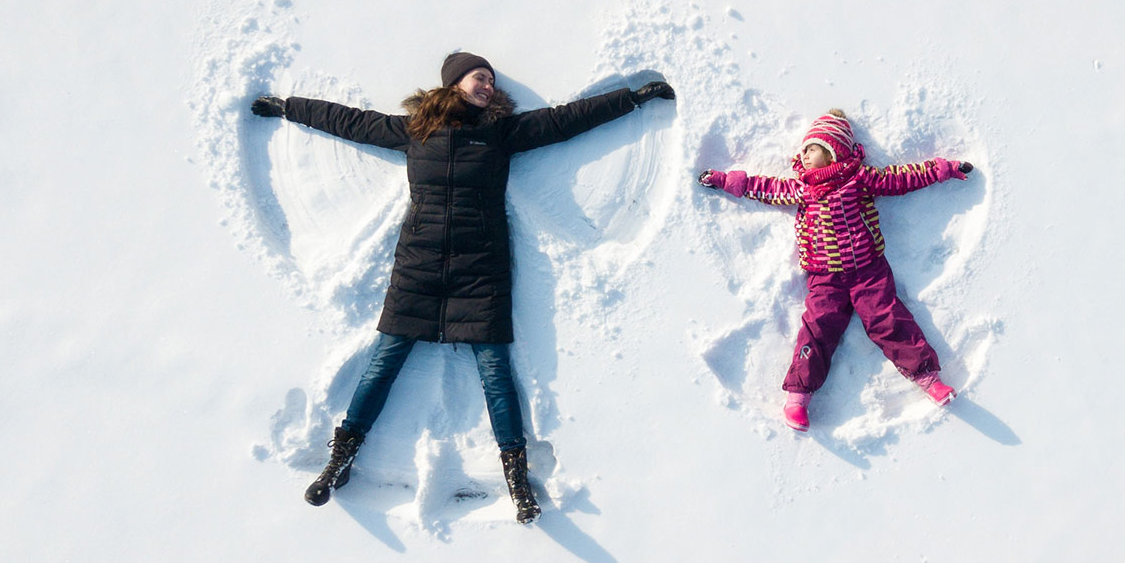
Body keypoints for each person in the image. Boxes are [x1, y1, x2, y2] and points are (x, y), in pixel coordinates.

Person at [252, 52, 675, 519]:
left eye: (492, 80)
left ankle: (516, 477)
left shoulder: (499, 133)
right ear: (455, 83)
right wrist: (289, 108)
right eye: (480, 77)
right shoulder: (416, 130)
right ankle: (342, 458)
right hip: (419, 267)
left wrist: (632, 100)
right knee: (383, 362)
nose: (488, 86)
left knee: (496, 374)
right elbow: (348, 121)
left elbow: (563, 121)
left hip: (482, 269)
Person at [698, 108, 972, 432]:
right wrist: (724, 180)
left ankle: (928, 379)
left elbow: (902, 178)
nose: (805, 154)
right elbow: (765, 187)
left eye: (813, 149)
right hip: (824, 275)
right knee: (818, 327)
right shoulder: (802, 188)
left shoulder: (860, 180)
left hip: (868, 269)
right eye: (805, 149)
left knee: (887, 319)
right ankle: (798, 397)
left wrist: (946, 169)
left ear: (833, 152)